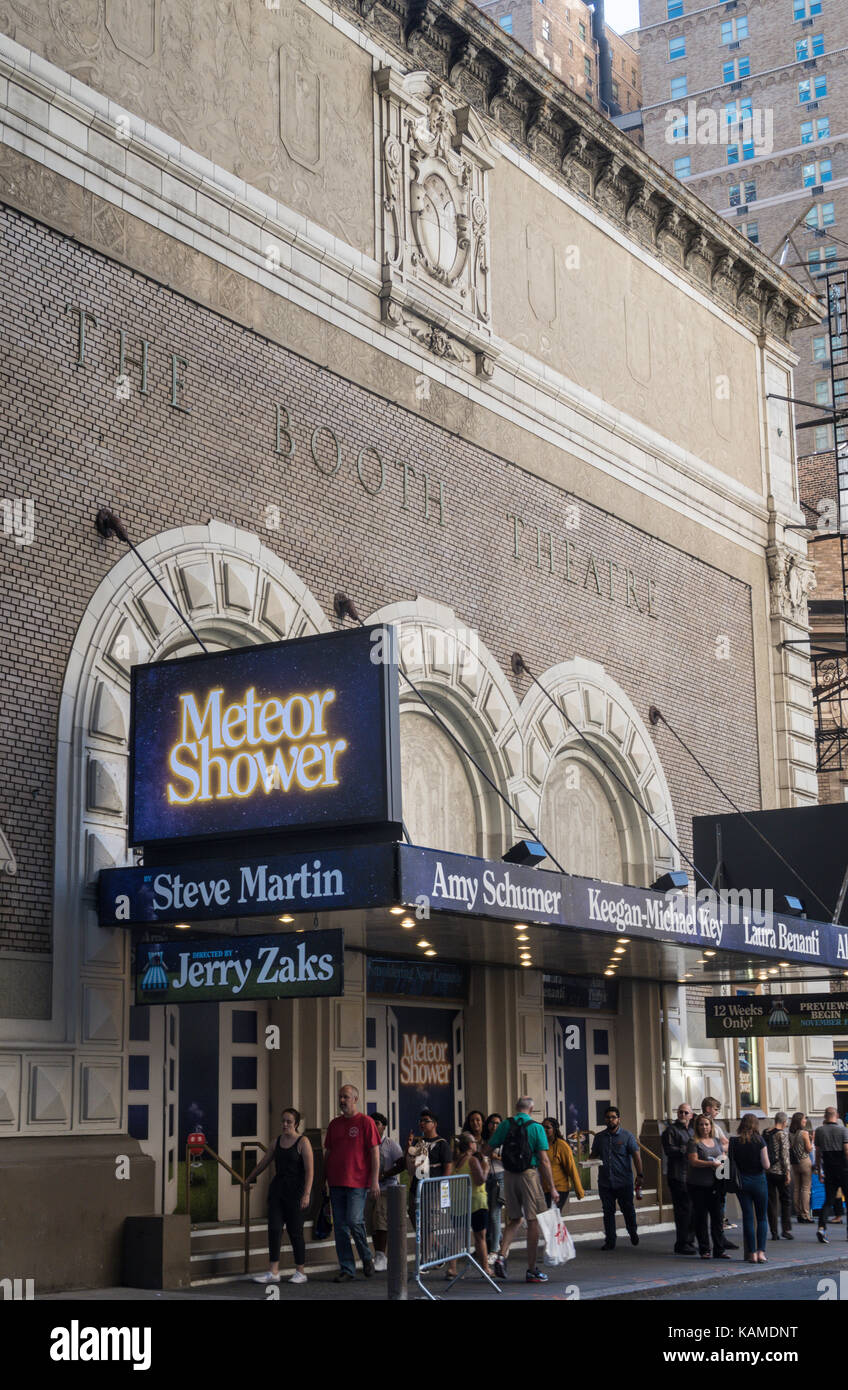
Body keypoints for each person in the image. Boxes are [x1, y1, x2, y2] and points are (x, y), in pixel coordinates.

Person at [484, 1096, 555, 1284]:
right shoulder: (536, 1128)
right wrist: (552, 1187)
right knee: (533, 1222)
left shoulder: (505, 1125)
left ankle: (500, 1256)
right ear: (531, 1109)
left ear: (516, 1108)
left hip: (508, 1175)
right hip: (528, 1175)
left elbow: (488, 1148)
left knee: (515, 1218)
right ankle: (532, 1270)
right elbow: (544, 1160)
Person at [245, 1106, 313, 1284]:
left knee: (295, 1232)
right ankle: (273, 1271)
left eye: (289, 1122)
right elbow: (264, 1162)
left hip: (296, 1193)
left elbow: (310, 1171)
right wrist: (249, 1178)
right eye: (283, 1121)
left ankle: (300, 1271)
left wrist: (306, 1194)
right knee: (274, 1229)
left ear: (296, 1124)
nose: (285, 1124)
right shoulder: (276, 1142)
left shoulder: (303, 1142)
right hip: (278, 1192)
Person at [324, 1084, 381, 1282]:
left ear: (355, 1099)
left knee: (354, 1221)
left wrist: (374, 1180)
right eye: (340, 1097)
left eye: (346, 1097)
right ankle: (347, 1268)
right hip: (336, 1182)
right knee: (340, 1227)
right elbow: (328, 1152)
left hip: (358, 1182)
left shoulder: (366, 1122)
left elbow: (375, 1152)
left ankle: (366, 1257)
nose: (342, 1100)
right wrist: (324, 1179)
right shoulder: (334, 1124)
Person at [405, 1108, 456, 1279]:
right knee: (419, 1222)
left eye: (426, 1120)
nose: (422, 1123)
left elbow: (447, 1167)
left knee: (428, 1224)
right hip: (417, 1187)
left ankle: (424, 1259)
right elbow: (411, 1170)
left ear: (434, 1124)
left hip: (433, 1188)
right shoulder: (419, 1143)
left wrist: (442, 1187)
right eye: (421, 1120)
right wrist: (409, 1150)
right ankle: (439, 1250)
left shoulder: (442, 1144)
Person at [590, 1106, 643, 1251]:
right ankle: (610, 1240)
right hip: (605, 1182)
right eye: (608, 1117)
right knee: (608, 1211)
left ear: (619, 1119)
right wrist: (589, 1159)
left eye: (613, 1117)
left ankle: (632, 1231)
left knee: (628, 1209)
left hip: (623, 1181)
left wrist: (640, 1175)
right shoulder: (599, 1137)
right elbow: (594, 1154)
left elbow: (636, 1156)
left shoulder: (627, 1136)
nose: (610, 1120)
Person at [365, 1112, 405, 1272]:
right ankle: (378, 1254)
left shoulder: (390, 1144)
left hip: (386, 1188)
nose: (374, 1126)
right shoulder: (366, 1143)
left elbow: (401, 1164)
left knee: (381, 1221)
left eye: (377, 1123)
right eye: (371, 1123)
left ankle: (382, 1255)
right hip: (369, 1187)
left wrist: (384, 1174)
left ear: (383, 1126)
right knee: (373, 1222)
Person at [687, 1114, 729, 1260]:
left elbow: (723, 1156)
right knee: (701, 1218)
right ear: (697, 1127)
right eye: (701, 1125)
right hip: (698, 1185)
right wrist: (711, 1164)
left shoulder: (716, 1141)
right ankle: (705, 1249)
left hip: (716, 1184)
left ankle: (720, 1249)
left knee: (717, 1218)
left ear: (711, 1126)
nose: (704, 1127)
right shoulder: (693, 1142)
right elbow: (693, 1161)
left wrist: (723, 1168)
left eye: (706, 1124)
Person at [729, 1113, 770, 1263]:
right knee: (761, 1218)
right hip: (759, 1181)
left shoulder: (734, 1141)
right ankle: (761, 1253)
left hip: (742, 1182)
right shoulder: (760, 1141)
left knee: (747, 1218)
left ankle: (751, 1253)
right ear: (755, 1125)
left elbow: (730, 1163)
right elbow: (766, 1165)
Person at [662, 1102, 696, 1255]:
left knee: (691, 1210)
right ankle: (682, 1243)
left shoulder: (693, 1130)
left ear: (691, 1115)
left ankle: (689, 1241)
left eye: (685, 1113)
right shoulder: (671, 1130)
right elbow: (669, 1150)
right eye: (680, 1112)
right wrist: (687, 1150)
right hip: (677, 1175)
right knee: (683, 1211)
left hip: (692, 1176)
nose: (682, 1115)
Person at [454, 1132, 490, 1272]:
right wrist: (486, 1167)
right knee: (480, 1236)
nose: (476, 1144)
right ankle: (486, 1268)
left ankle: (452, 1267)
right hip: (476, 1202)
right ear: (470, 1145)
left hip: (458, 1203)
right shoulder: (472, 1160)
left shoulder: (455, 1161)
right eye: (474, 1142)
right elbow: (480, 1180)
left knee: (457, 1237)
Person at [814, 1106, 848, 1244]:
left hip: (829, 1169)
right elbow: (846, 1150)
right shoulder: (843, 1130)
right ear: (837, 1116)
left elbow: (817, 1152)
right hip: (844, 1169)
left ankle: (822, 1227)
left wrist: (818, 1169)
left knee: (828, 1200)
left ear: (824, 1116)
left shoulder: (819, 1131)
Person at [542, 1117, 585, 1210]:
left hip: (559, 1188)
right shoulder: (540, 1144)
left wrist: (579, 1191)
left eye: (547, 1127)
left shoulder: (561, 1145)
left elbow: (571, 1168)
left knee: (552, 1219)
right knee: (548, 1220)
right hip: (543, 1189)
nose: (544, 1129)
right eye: (542, 1127)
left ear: (555, 1129)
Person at [764, 1112, 793, 1241]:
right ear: (784, 1121)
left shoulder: (766, 1132)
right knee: (785, 1201)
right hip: (780, 1172)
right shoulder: (782, 1134)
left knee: (771, 1202)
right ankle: (786, 1230)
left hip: (768, 1171)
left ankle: (774, 1231)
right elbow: (785, 1155)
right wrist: (787, 1172)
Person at [483, 1112, 504, 1258]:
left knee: (494, 1214)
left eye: (497, 1123)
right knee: (488, 1213)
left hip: (499, 1177)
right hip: (486, 1178)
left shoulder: (505, 1141)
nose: (494, 1126)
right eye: (492, 1123)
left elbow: (509, 1160)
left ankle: (494, 1250)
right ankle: (496, 1240)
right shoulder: (485, 1140)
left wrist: (494, 1156)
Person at [789, 1112, 814, 1223]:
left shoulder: (790, 1133)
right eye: (804, 1119)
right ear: (800, 1121)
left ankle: (798, 1212)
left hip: (794, 1163)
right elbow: (808, 1149)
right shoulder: (804, 1133)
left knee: (796, 1188)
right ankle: (805, 1214)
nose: (805, 1121)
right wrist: (812, 1140)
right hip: (804, 1161)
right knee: (805, 1189)